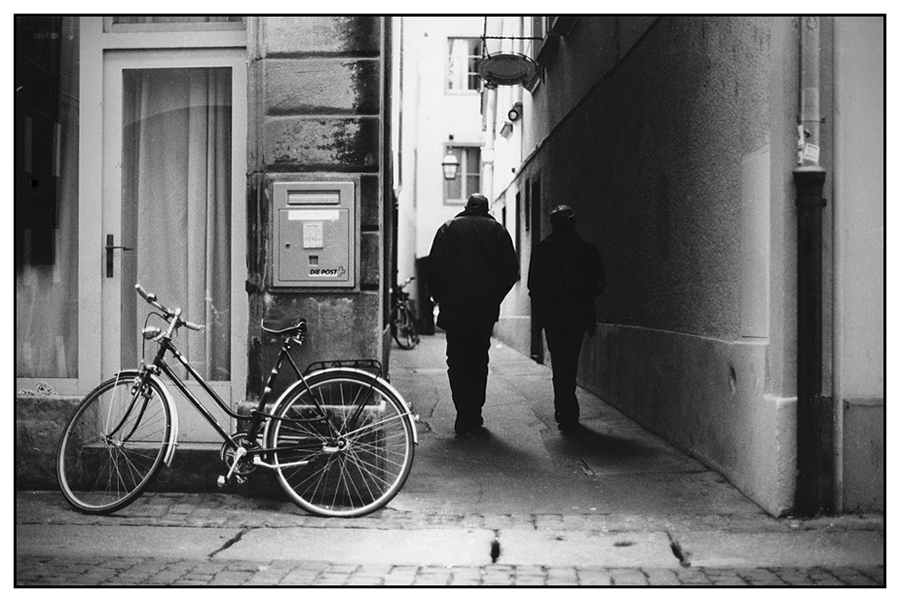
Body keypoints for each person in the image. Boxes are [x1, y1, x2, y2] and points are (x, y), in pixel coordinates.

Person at [428, 193, 519, 437]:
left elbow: (433, 266)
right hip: (483, 311)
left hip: (454, 309)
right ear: (487, 209)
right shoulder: (498, 231)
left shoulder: (447, 228)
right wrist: (494, 295)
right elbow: (511, 270)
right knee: (479, 359)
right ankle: (474, 412)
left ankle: (462, 411)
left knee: (456, 360)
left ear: (466, 207)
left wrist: (439, 296)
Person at [528, 205, 605, 432]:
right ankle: (567, 408)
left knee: (559, 362)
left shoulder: (542, 250)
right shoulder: (587, 249)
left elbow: (534, 286)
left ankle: (564, 408)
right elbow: (598, 284)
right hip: (577, 315)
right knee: (570, 361)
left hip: (553, 316)